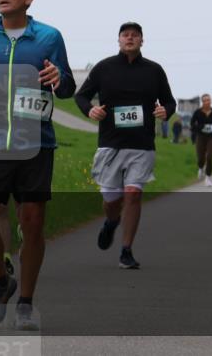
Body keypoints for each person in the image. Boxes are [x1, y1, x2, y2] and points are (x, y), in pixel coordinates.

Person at [0, 0, 76, 331]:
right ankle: (1, 280)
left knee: (32, 222)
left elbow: (67, 88)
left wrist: (59, 78)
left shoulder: (48, 37)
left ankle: (26, 302)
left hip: (35, 144)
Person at [75, 21, 176, 270]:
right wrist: (90, 110)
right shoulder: (104, 67)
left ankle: (126, 250)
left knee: (133, 194)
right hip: (111, 143)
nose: (130, 38)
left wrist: (166, 111)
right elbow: (81, 96)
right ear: (119, 40)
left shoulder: (154, 70)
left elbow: (169, 101)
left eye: (135, 35)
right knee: (112, 200)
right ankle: (111, 222)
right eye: (125, 35)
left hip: (142, 144)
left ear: (142, 41)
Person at [190, 93, 212, 186]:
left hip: (211, 137)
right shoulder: (197, 112)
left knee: (210, 156)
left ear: (211, 101)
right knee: (201, 157)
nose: (207, 102)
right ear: (202, 102)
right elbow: (192, 125)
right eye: (205, 101)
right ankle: (201, 168)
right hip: (201, 137)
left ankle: (208, 177)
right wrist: (199, 127)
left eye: (208, 100)